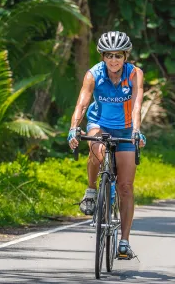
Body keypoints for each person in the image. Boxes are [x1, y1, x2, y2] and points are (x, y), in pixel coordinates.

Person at [67, 31, 146, 259]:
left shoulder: (134, 74)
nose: (114, 60)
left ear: (125, 57)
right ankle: (92, 190)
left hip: (126, 128)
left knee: (125, 187)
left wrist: (136, 131)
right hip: (99, 124)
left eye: (118, 56)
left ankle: (124, 241)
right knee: (96, 149)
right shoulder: (93, 75)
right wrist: (74, 127)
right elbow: (82, 104)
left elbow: (138, 104)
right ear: (103, 56)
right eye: (109, 55)